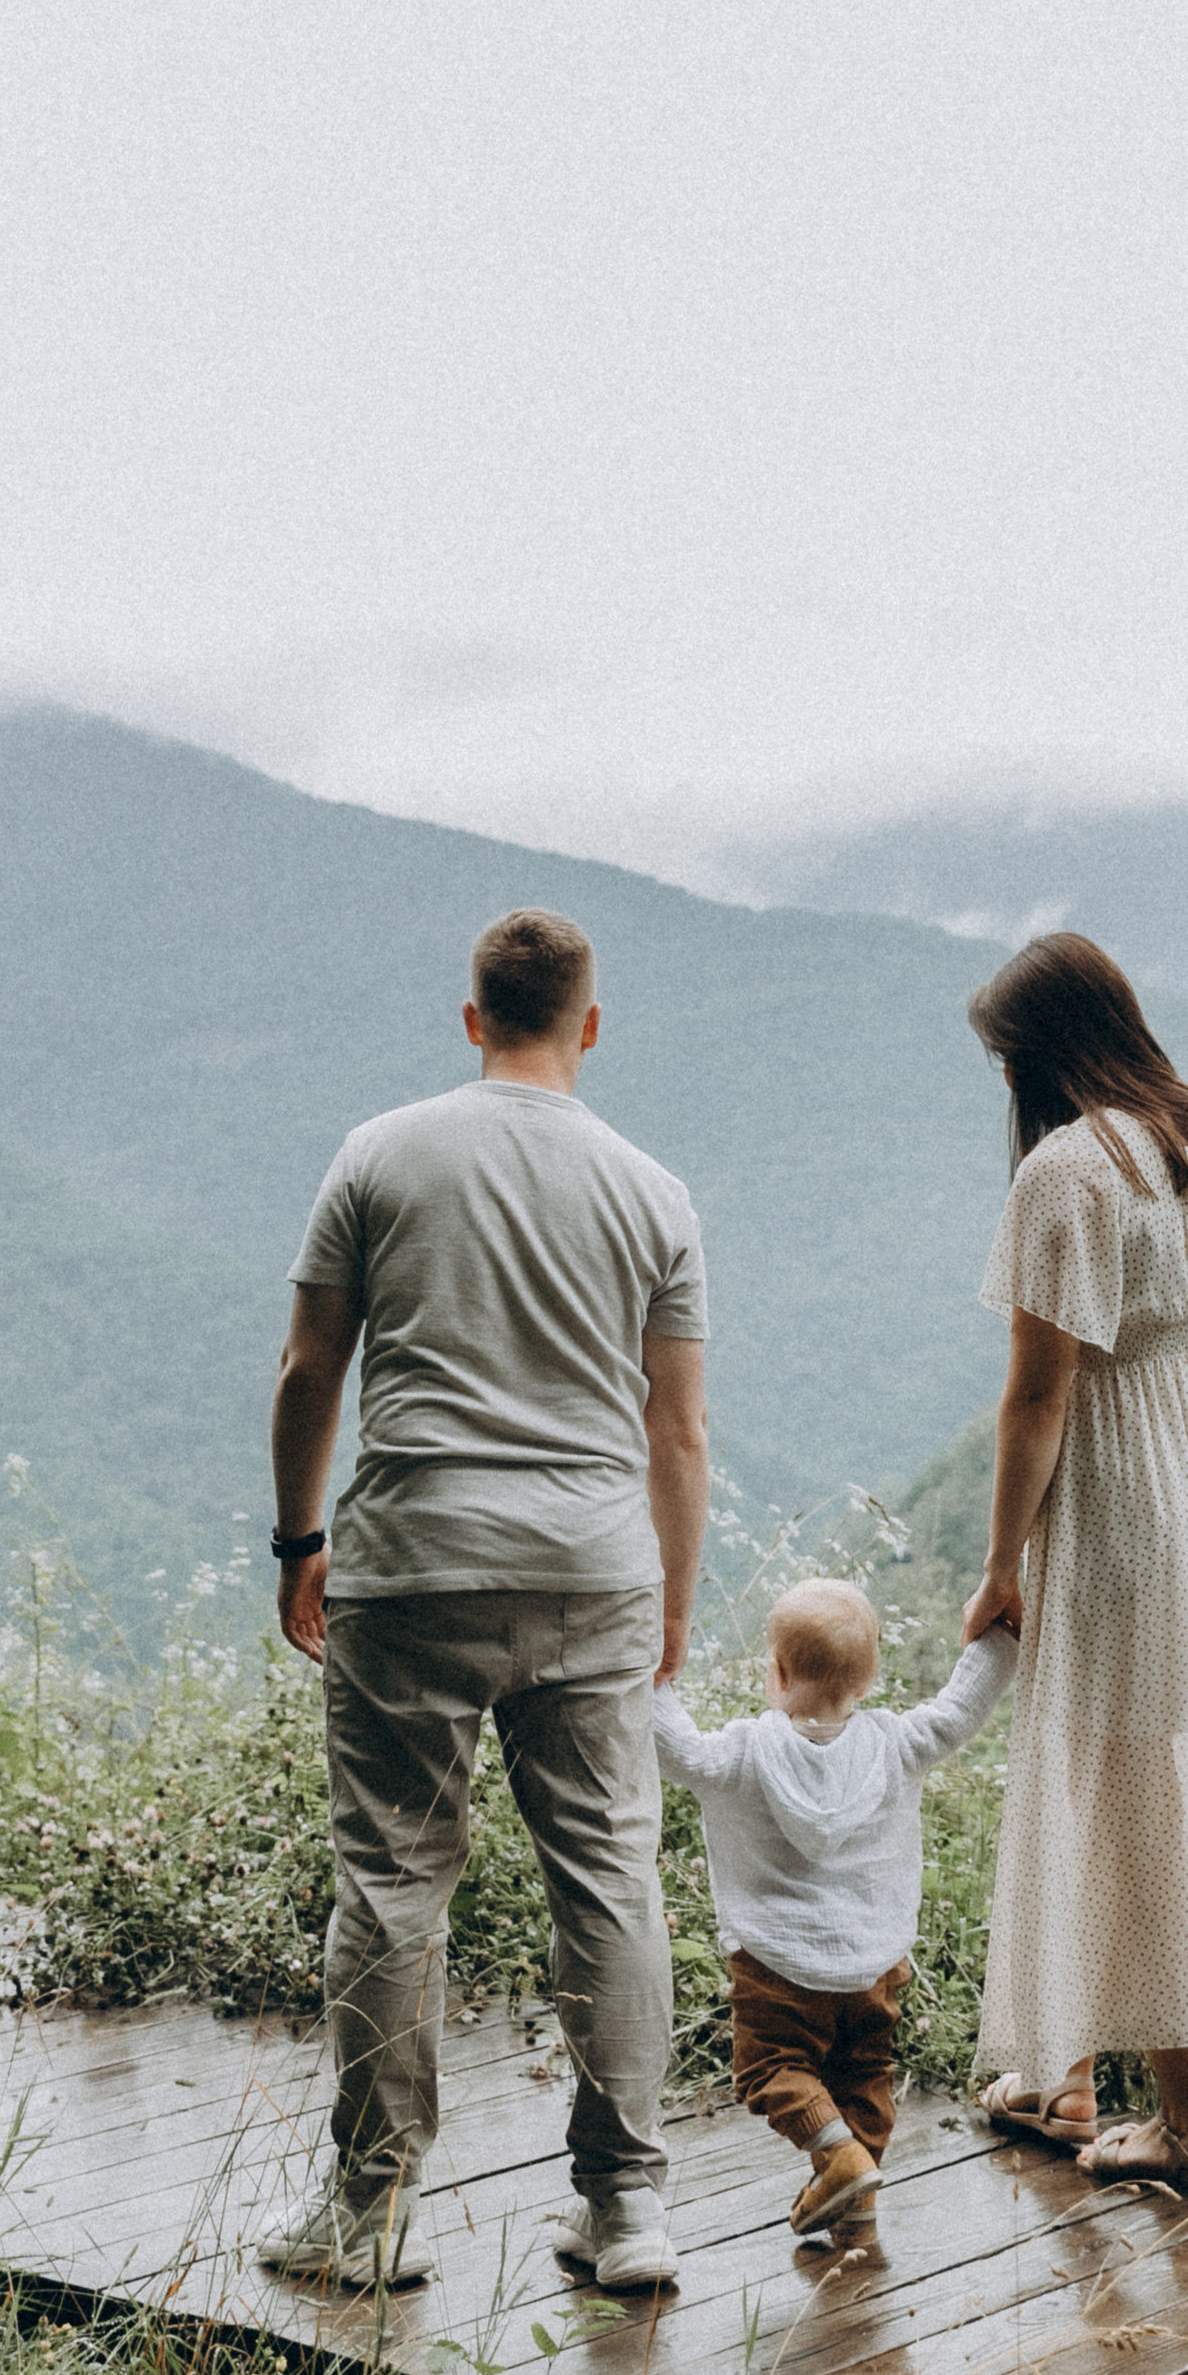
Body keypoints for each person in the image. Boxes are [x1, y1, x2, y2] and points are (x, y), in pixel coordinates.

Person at [259, 906, 710, 2293]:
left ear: (472, 1018)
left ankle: (370, 2214)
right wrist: (671, 1598)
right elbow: (678, 1431)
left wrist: (298, 1540)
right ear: (590, 1025)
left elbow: (310, 1368)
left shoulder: (379, 1155)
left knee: (393, 1882)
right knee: (611, 1880)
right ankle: (626, 2211)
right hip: (594, 1569)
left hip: (412, 1562)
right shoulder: (653, 1191)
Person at [958, 933, 1188, 2194]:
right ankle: (1062, 2078)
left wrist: (1000, 1561)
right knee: (1130, 1781)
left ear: (1035, 1055)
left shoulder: (1068, 1174)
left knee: (1129, 1796)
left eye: (1005, 1060)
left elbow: (1036, 1398)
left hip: (1120, 1505)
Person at [653, 1578, 1016, 2240]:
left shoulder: (742, 1753)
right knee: (865, 2075)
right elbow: (958, 1711)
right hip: (874, 1960)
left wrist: (647, 1676)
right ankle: (857, 2201)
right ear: (869, 1678)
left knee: (770, 2069)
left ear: (778, 1673)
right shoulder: (897, 1744)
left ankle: (839, 2157)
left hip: (775, 1961)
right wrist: (1001, 1638)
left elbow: (677, 1749)